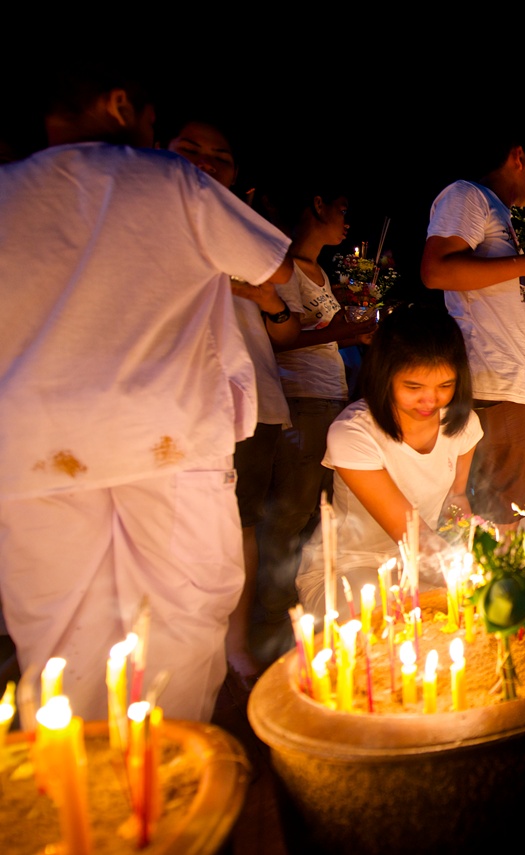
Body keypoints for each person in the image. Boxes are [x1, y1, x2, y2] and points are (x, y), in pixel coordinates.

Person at [0, 71, 294, 722]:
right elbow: (274, 267)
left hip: (31, 448)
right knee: (180, 615)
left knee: (58, 632)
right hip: (165, 436)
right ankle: (168, 766)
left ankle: (80, 772)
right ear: (120, 104)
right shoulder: (170, 182)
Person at [166, 117, 301, 681]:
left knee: (242, 523)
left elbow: (285, 329)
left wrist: (266, 302)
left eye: (219, 157)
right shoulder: (151, 219)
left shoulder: (242, 229)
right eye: (188, 149)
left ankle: (237, 645)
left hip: (254, 398)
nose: (204, 163)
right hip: (178, 402)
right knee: (176, 526)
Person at [254, 184, 376, 660]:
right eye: (342, 208)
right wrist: (346, 329)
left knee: (314, 514)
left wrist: (353, 331)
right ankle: (272, 620)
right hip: (300, 397)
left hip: (330, 395)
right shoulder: (283, 267)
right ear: (317, 205)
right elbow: (281, 337)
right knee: (289, 514)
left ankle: (300, 607)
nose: (347, 220)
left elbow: (325, 334)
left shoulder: (319, 272)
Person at [296, 307, 481, 616]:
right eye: (413, 387)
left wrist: (472, 546)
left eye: (445, 386)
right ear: (385, 375)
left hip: (421, 567)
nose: (430, 400)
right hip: (350, 570)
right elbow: (412, 536)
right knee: (396, 625)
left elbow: (456, 499)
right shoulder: (354, 433)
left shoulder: (463, 425)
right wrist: (476, 577)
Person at [421, 140, 525, 524]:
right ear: (518, 157)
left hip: (518, 389)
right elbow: (436, 271)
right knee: (494, 523)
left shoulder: (499, 214)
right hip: (492, 388)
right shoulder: (467, 195)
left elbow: (498, 303)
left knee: (517, 517)